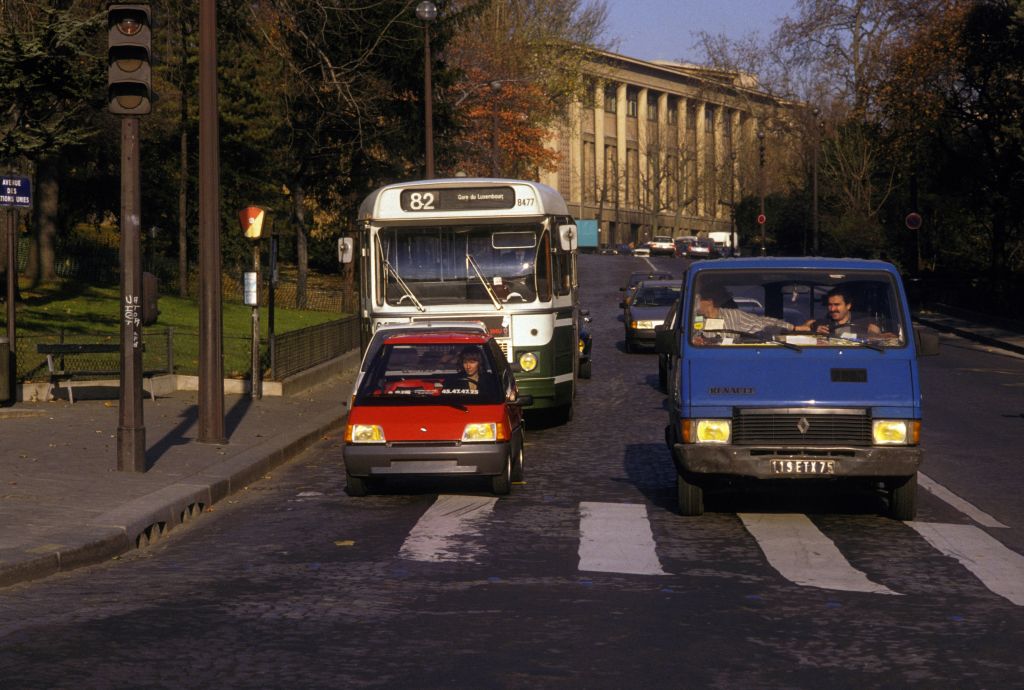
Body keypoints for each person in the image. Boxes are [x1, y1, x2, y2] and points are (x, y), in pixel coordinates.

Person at [693, 285, 790, 339]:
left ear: (709, 301)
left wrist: (793, 328)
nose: (695, 302)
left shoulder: (732, 315)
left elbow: (761, 323)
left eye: (698, 299)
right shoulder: (692, 318)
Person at [799, 287, 881, 338]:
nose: (832, 309)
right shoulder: (822, 323)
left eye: (837, 304)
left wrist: (875, 335)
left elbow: (883, 340)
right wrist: (816, 334)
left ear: (848, 306)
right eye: (830, 305)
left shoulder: (865, 321)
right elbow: (802, 329)